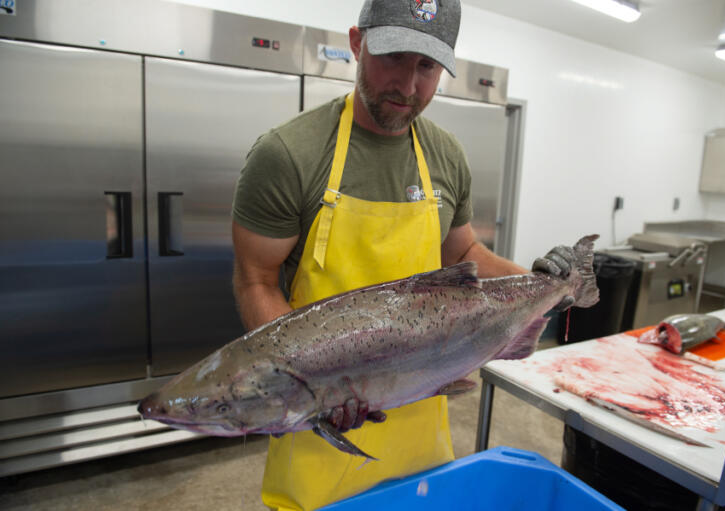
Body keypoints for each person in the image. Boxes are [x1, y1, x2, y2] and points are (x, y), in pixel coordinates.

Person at [231, 0, 575, 509]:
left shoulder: (446, 155)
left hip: (423, 406)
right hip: (324, 418)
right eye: (393, 57)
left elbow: (463, 251)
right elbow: (255, 278)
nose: (408, 87)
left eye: (427, 67)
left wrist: (543, 285)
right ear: (356, 42)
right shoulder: (288, 155)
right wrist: (309, 389)